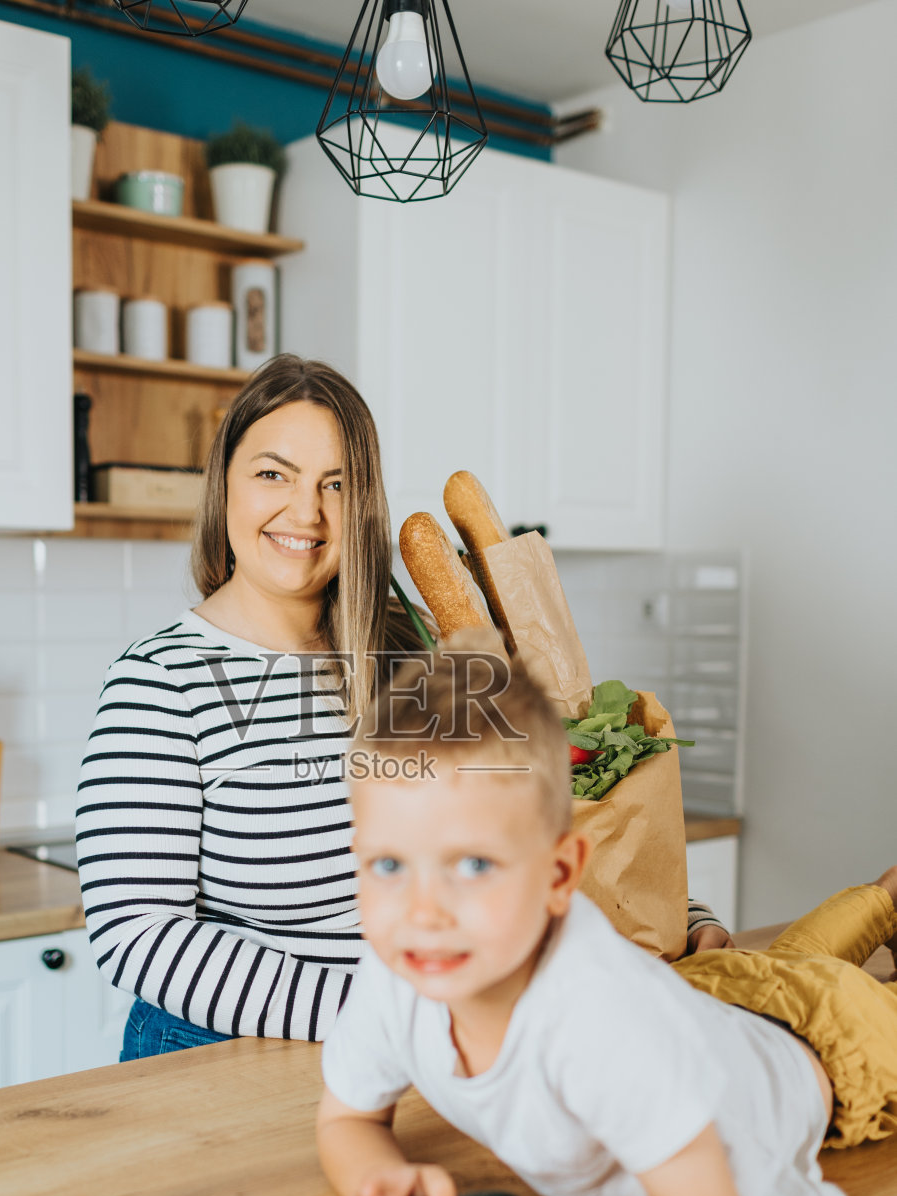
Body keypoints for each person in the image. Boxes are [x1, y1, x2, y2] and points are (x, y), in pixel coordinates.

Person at [76, 354, 728, 1062]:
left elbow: (536, 816)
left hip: (434, 1045)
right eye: (273, 473)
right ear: (223, 483)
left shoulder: (414, 644)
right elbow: (137, 933)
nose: (306, 511)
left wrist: (668, 913)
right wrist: (385, 1010)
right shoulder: (162, 680)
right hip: (230, 1055)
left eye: (336, 483)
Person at [317, 640, 897, 1196]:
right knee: (783, 962)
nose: (422, 911)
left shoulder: (600, 1019)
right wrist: (378, 1179)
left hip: (826, 1048)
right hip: (706, 996)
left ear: (559, 875)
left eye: (471, 865)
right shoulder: (395, 968)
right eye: (388, 866)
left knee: (825, 985)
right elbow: (347, 1117)